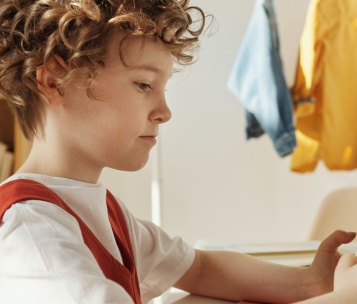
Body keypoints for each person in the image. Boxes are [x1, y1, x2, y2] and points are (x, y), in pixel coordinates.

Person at [0, 0, 357, 303]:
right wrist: (343, 298)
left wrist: (311, 283)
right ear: (54, 82)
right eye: (143, 85)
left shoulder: (103, 211)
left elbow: (200, 268)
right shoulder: (33, 237)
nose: (164, 112)